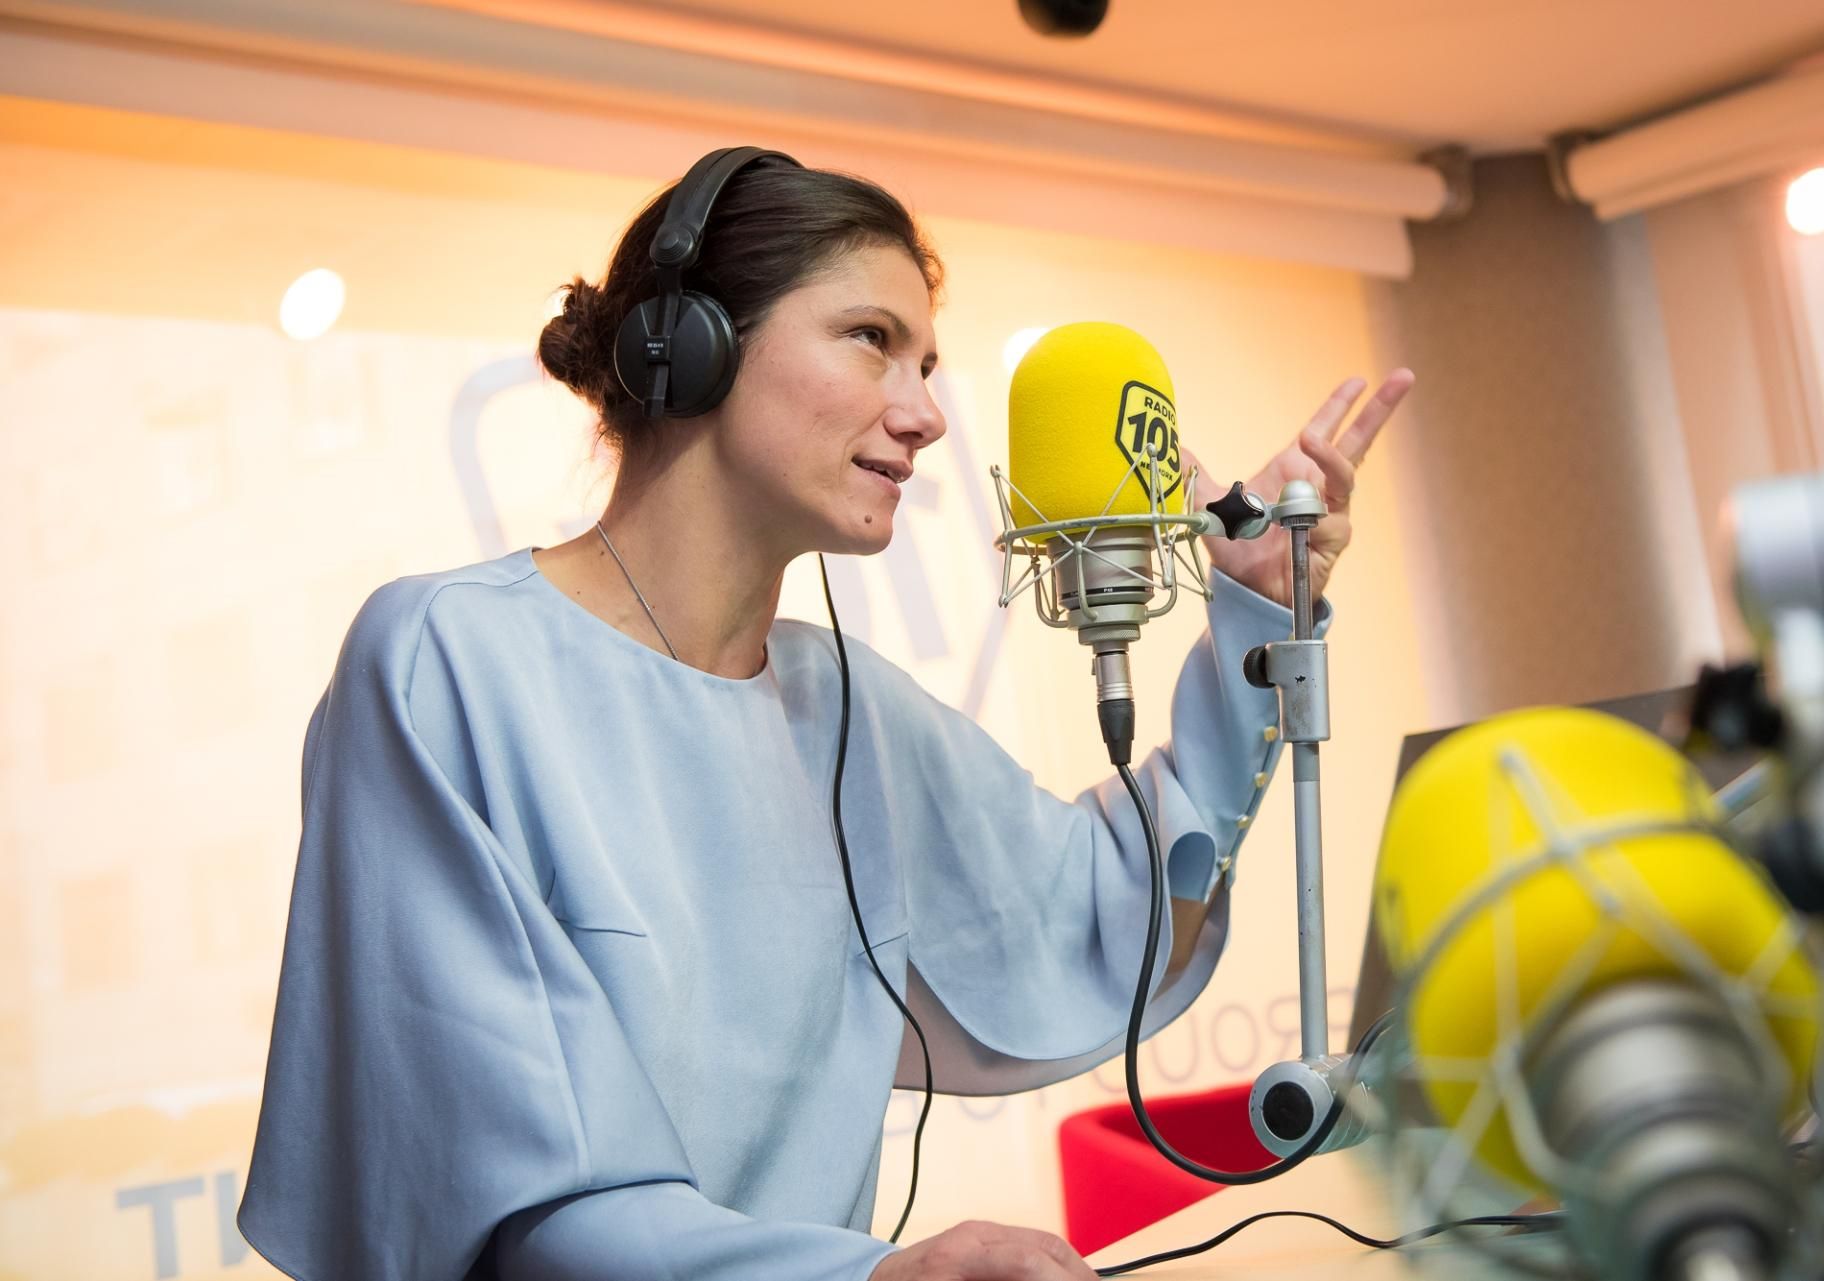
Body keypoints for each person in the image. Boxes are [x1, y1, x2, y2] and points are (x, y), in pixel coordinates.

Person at [235, 149, 1412, 1281]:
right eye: (872, 341)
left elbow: (1117, 917)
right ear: (694, 349)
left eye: (928, 366)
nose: (926, 414)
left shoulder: (845, 707)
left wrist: (1254, 616)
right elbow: (521, 1194)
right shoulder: (445, 659)